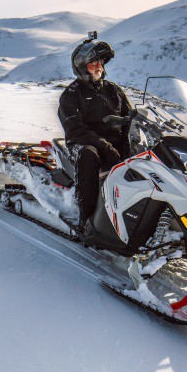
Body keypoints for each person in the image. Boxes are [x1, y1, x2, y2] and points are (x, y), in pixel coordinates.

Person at [57, 38, 131, 233]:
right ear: (82, 67)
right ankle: (87, 218)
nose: (98, 66)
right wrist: (104, 146)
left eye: (100, 62)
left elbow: (129, 118)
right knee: (88, 154)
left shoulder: (113, 90)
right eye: (93, 63)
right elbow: (75, 129)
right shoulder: (71, 94)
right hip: (84, 144)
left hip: (113, 144)